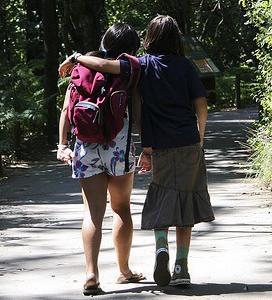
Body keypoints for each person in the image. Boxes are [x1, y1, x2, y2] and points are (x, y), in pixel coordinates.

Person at [70, 15, 215, 288]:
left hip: (155, 145)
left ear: (149, 39)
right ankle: (181, 265)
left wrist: (76, 57)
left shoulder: (142, 66)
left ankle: (158, 248)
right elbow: (201, 104)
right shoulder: (184, 66)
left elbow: (101, 66)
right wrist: (201, 138)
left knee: (159, 195)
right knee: (184, 200)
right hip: (184, 142)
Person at [57, 23, 145, 296]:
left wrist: (62, 145)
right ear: (131, 47)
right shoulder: (129, 69)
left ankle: (91, 274)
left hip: (85, 145)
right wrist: (148, 145)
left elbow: (67, 109)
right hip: (119, 143)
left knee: (93, 212)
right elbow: (139, 109)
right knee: (121, 209)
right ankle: (124, 271)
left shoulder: (81, 67)